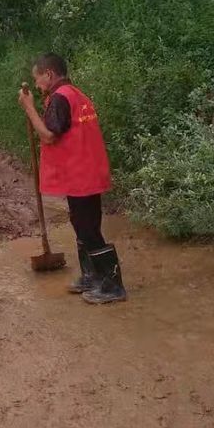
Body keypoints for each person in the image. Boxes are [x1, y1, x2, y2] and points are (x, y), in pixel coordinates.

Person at [17, 53, 127, 304]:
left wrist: (29, 108)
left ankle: (113, 286)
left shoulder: (60, 98)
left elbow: (48, 136)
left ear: (49, 74)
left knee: (88, 230)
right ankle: (93, 276)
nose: (36, 85)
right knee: (83, 225)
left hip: (81, 175)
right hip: (87, 172)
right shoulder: (76, 94)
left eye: (38, 79)